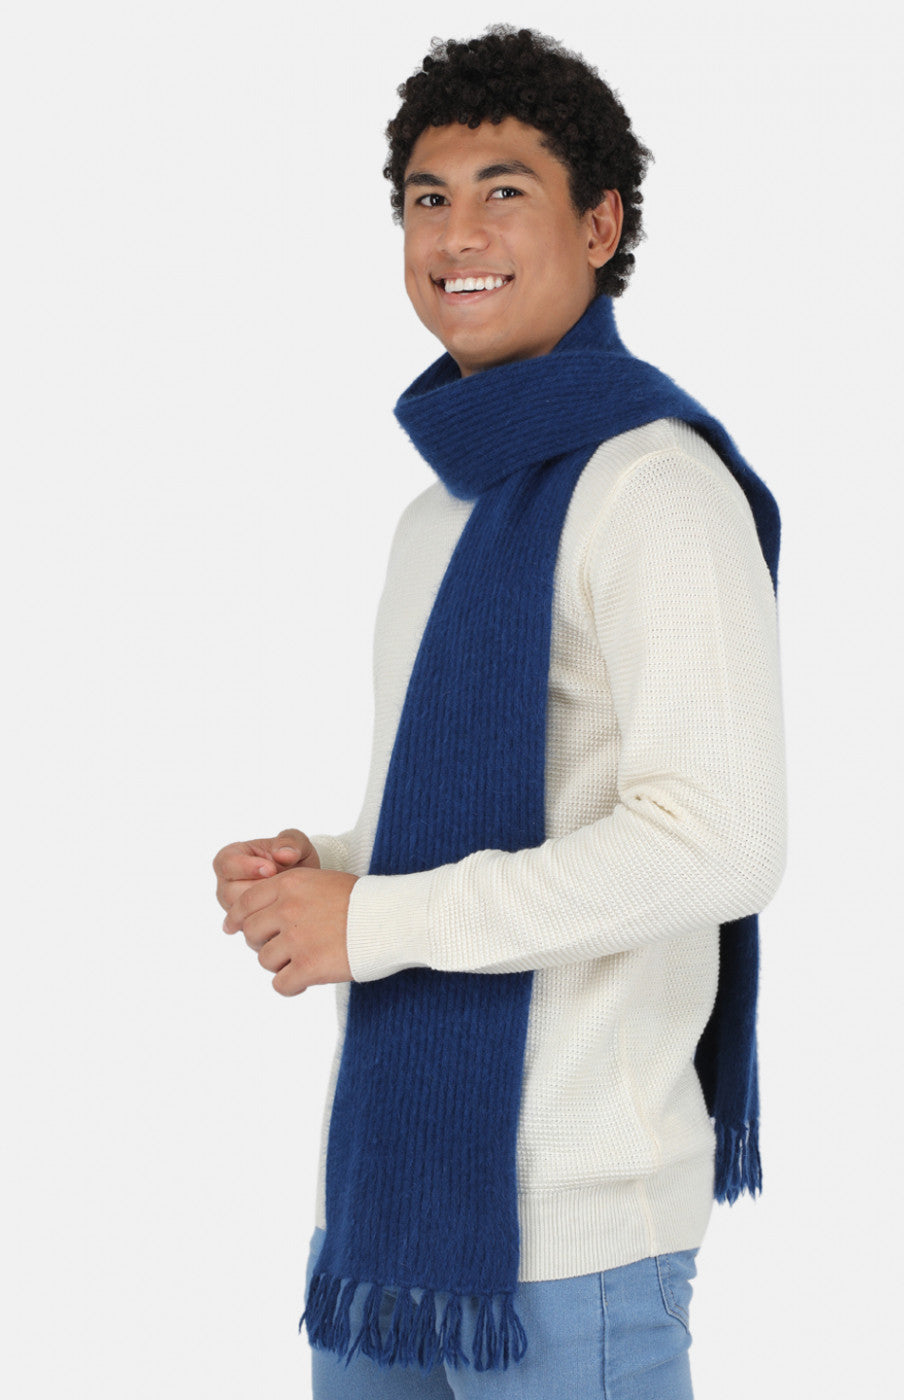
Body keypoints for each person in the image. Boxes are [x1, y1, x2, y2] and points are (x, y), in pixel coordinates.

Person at [214, 26, 785, 1400]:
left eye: (504, 190)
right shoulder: (443, 508)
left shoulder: (655, 487)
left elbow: (719, 842)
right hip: (386, 1214)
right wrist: (328, 868)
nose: (456, 232)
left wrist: (376, 922)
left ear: (600, 225)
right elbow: (489, 810)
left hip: (575, 1240)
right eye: (427, 197)